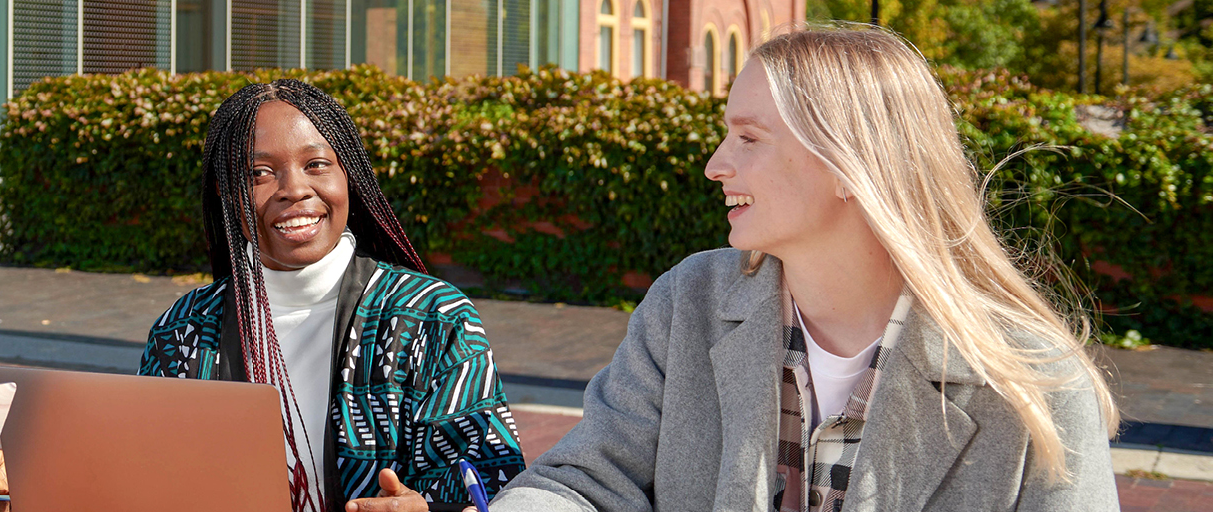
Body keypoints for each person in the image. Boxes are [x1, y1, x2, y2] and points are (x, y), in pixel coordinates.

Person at [481, 26, 1119, 511]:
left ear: (850, 165)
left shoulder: (1035, 381)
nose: (715, 165)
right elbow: (587, 482)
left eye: (749, 138)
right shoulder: (688, 303)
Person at [136, 80, 526, 512]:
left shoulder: (431, 318)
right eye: (258, 174)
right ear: (225, 193)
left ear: (349, 177)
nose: (294, 189)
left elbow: (493, 481)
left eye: (317, 164)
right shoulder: (185, 328)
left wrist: (427, 509)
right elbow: (144, 472)